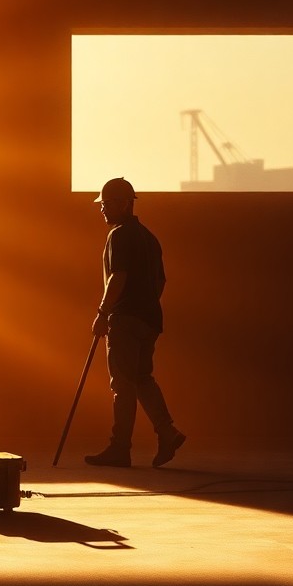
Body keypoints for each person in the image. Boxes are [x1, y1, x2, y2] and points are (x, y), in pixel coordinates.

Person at [85, 177, 186, 468]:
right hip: (149, 320)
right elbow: (160, 281)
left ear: (123, 204)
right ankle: (167, 431)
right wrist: (147, 306)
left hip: (125, 319)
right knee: (142, 379)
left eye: (105, 204)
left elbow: (118, 276)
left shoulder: (119, 236)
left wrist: (103, 313)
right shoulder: (149, 238)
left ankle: (120, 449)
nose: (102, 210)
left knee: (122, 385)